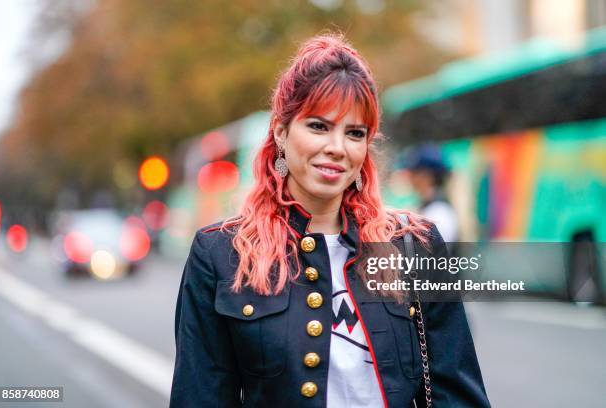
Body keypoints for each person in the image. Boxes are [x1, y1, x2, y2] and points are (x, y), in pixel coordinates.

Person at [170, 34, 490, 408]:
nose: (337, 147)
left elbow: (458, 396)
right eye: (319, 126)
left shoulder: (414, 245)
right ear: (281, 132)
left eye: (354, 133)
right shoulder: (220, 253)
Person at [403, 144, 459, 243]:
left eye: (414, 172)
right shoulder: (429, 206)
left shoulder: (439, 212)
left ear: (426, 175)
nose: (409, 177)